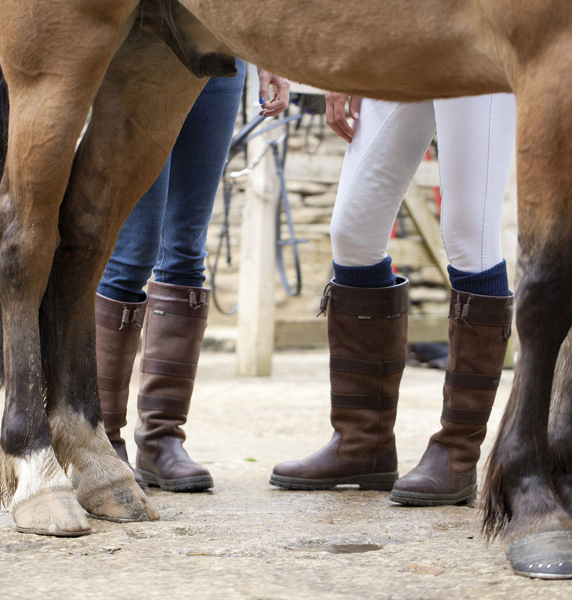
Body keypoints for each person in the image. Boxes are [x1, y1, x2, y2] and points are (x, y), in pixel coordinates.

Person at [271, 93, 516, 507]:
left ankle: (457, 454)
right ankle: (362, 444)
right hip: (399, 51)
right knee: (353, 233)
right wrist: (344, 69)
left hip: (472, 52)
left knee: (468, 235)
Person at [95, 63, 290, 492]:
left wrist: (266, 56)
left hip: (220, 54)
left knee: (185, 249)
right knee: (132, 252)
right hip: (149, 45)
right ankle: (99, 440)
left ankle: (160, 440)